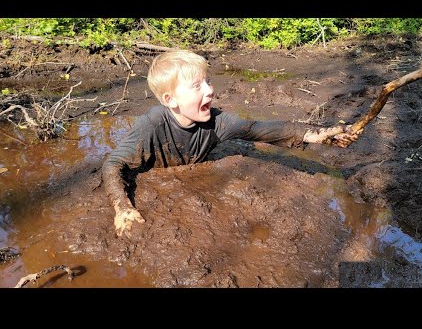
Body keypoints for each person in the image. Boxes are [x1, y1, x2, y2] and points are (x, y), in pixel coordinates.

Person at [102, 49, 361, 237]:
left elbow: (259, 129)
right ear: (171, 100)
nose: (210, 90)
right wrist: (122, 208)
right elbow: (113, 163)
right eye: (196, 86)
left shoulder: (217, 121)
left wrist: (318, 134)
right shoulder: (151, 124)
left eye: (208, 81)